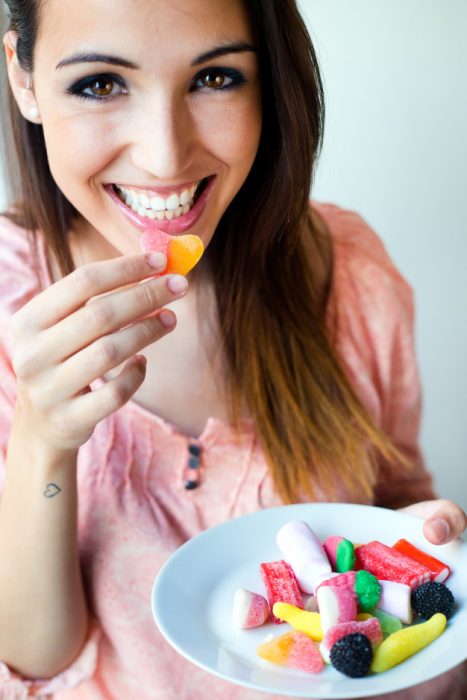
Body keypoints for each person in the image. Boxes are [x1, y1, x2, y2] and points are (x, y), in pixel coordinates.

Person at [0, 0, 465, 698]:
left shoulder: (349, 270)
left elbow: (396, 497)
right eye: (101, 83)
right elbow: (35, 657)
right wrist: (44, 438)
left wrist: (406, 543)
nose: (164, 155)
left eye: (215, 77)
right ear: (25, 78)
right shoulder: (11, 294)